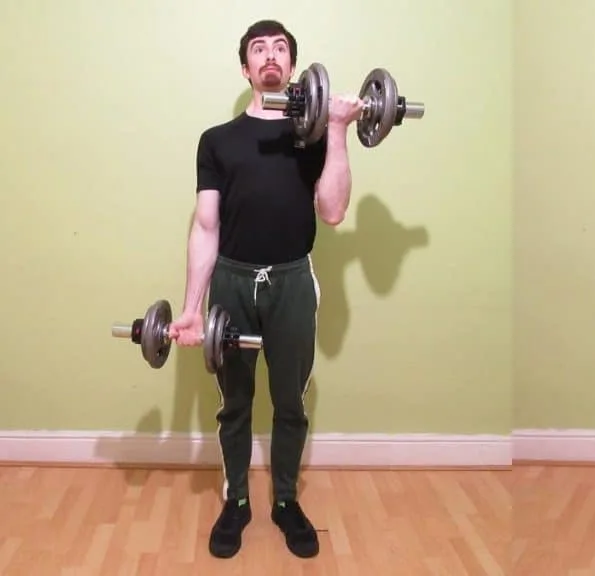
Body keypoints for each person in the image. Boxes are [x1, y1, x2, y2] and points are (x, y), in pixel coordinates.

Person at [166, 19, 363, 560]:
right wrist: (188, 308)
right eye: (259, 49)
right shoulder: (217, 141)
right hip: (231, 280)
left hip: (293, 282)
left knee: (289, 403)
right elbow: (206, 226)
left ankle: (283, 502)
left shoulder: (312, 135)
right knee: (233, 402)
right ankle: (236, 503)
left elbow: (335, 210)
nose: (270, 56)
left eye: (280, 48)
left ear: (294, 68)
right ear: (246, 68)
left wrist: (340, 129)